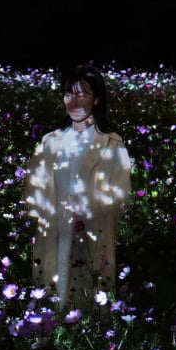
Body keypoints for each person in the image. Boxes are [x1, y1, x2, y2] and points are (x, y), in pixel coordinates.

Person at [21, 64, 133, 311]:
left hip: (93, 236)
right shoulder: (50, 142)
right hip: (55, 235)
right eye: (69, 94)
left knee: (90, 299)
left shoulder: (113, 144)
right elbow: (34, 190)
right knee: (53, 301)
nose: (74, 101)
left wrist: (86, 210)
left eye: (82, 94)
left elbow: (119, 193)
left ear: (97, 99)